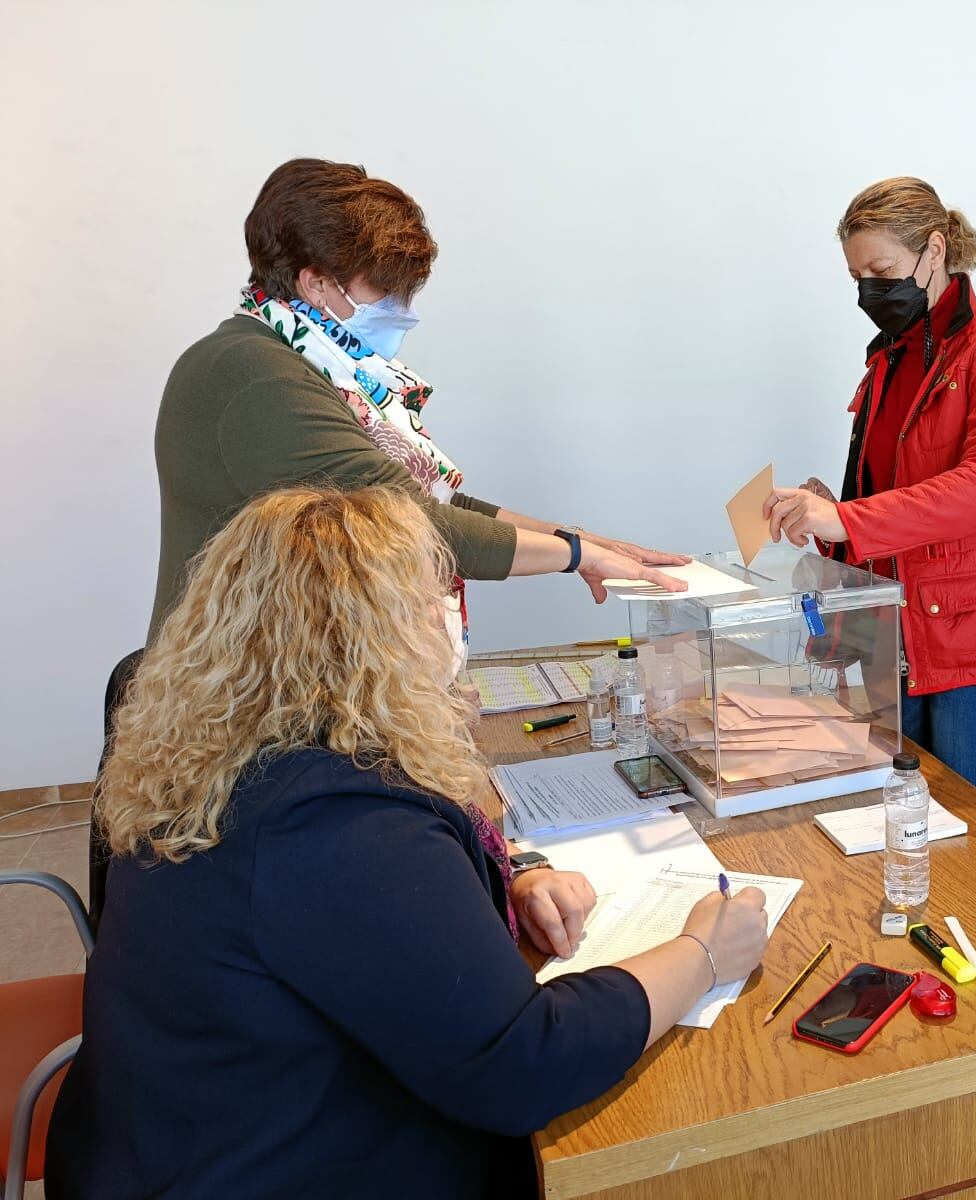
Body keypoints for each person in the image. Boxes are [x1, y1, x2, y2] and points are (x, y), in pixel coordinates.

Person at [47, 486, 772, 1198]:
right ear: (374, 640)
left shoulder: (226, 751)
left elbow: (361, 910)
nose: (449, 623)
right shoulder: (337, 821)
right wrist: (703, 954)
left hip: (171, 1136)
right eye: (433, 606)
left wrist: (507, 874)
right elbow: (525, 1065)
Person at [92, 157, 688, 926]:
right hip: (259, 715)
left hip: (297, 693)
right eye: (387, 290)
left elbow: (432, 496)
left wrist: (585, 538)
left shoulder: (309, 361)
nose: (402, 310)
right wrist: (578, 557)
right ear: (315, 284)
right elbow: (416, 527)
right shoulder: (249, 374)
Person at [761, 177, 976, 816]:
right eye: (857, 276)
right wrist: (826, 508)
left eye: (883, 269)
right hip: (890, 633)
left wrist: (848, 517)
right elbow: (885, 492)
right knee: (899, 823)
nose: (870, 290)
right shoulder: (889, 359)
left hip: (970, 638)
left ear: (935, 249)